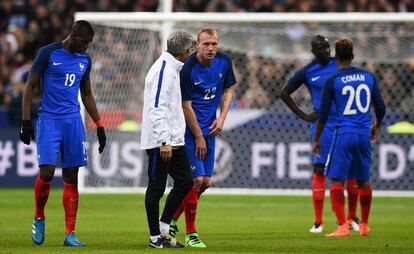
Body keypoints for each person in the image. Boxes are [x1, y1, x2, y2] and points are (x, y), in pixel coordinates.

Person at [20, 20, 106, 247]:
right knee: (47, 172)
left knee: (71, 177)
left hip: (73, 122)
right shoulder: (48, 53)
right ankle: (39, 216)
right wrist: (26, 121)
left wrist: (99, 124)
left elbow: (87, 94)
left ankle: (70, 234)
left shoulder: (84, 60)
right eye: (85, 43)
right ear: (74, 37)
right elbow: (30, 86)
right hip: (49, 120)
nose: (87, 47)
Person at [280, 35, 360, 234]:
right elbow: (284, 93)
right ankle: (318, 222)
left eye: (327, 47)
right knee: (319, 169)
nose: (326, 50)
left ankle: (352, 218)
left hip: (344, 123)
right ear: (313, 51)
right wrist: (304, 115)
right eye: (321, 48)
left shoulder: (339, 65)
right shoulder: (308, 71)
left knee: (349, 171)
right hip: (322, 127)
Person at [169, 28, 237, 248]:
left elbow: (228, 90)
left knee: (205, 182)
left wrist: (222, 118)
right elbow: (185, 105)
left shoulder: (224, 62)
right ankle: (191, 234)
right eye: (206, 44)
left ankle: (170, 219)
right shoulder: (187, 69)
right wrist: (198, 136)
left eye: (214, 44)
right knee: (195, 180)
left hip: (210, 131)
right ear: (197, 45)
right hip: (189, 132)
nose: (211, 48)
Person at [312, 38, 386, 237]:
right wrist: (376, 126)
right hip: (363, 134)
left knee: (336, 181)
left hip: (343, 133)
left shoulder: (332, 80)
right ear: (353, 56)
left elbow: (324, 113)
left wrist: (317, 139)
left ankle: (342, 226)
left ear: (336, 57)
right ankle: (364, 225)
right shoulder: (368, 77)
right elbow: (380, 106)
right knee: (363, 181)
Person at [140, 30, 194, 249]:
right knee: (157, 187)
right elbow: (156, 108)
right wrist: (164, 141)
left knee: (185, 181)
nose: (191, 53)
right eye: (190, 50)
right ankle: (155, 238)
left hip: (174, 138)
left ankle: (164, 229)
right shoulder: (162, 70)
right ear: (184, 52)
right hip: (160, 141)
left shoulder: (172, 68)